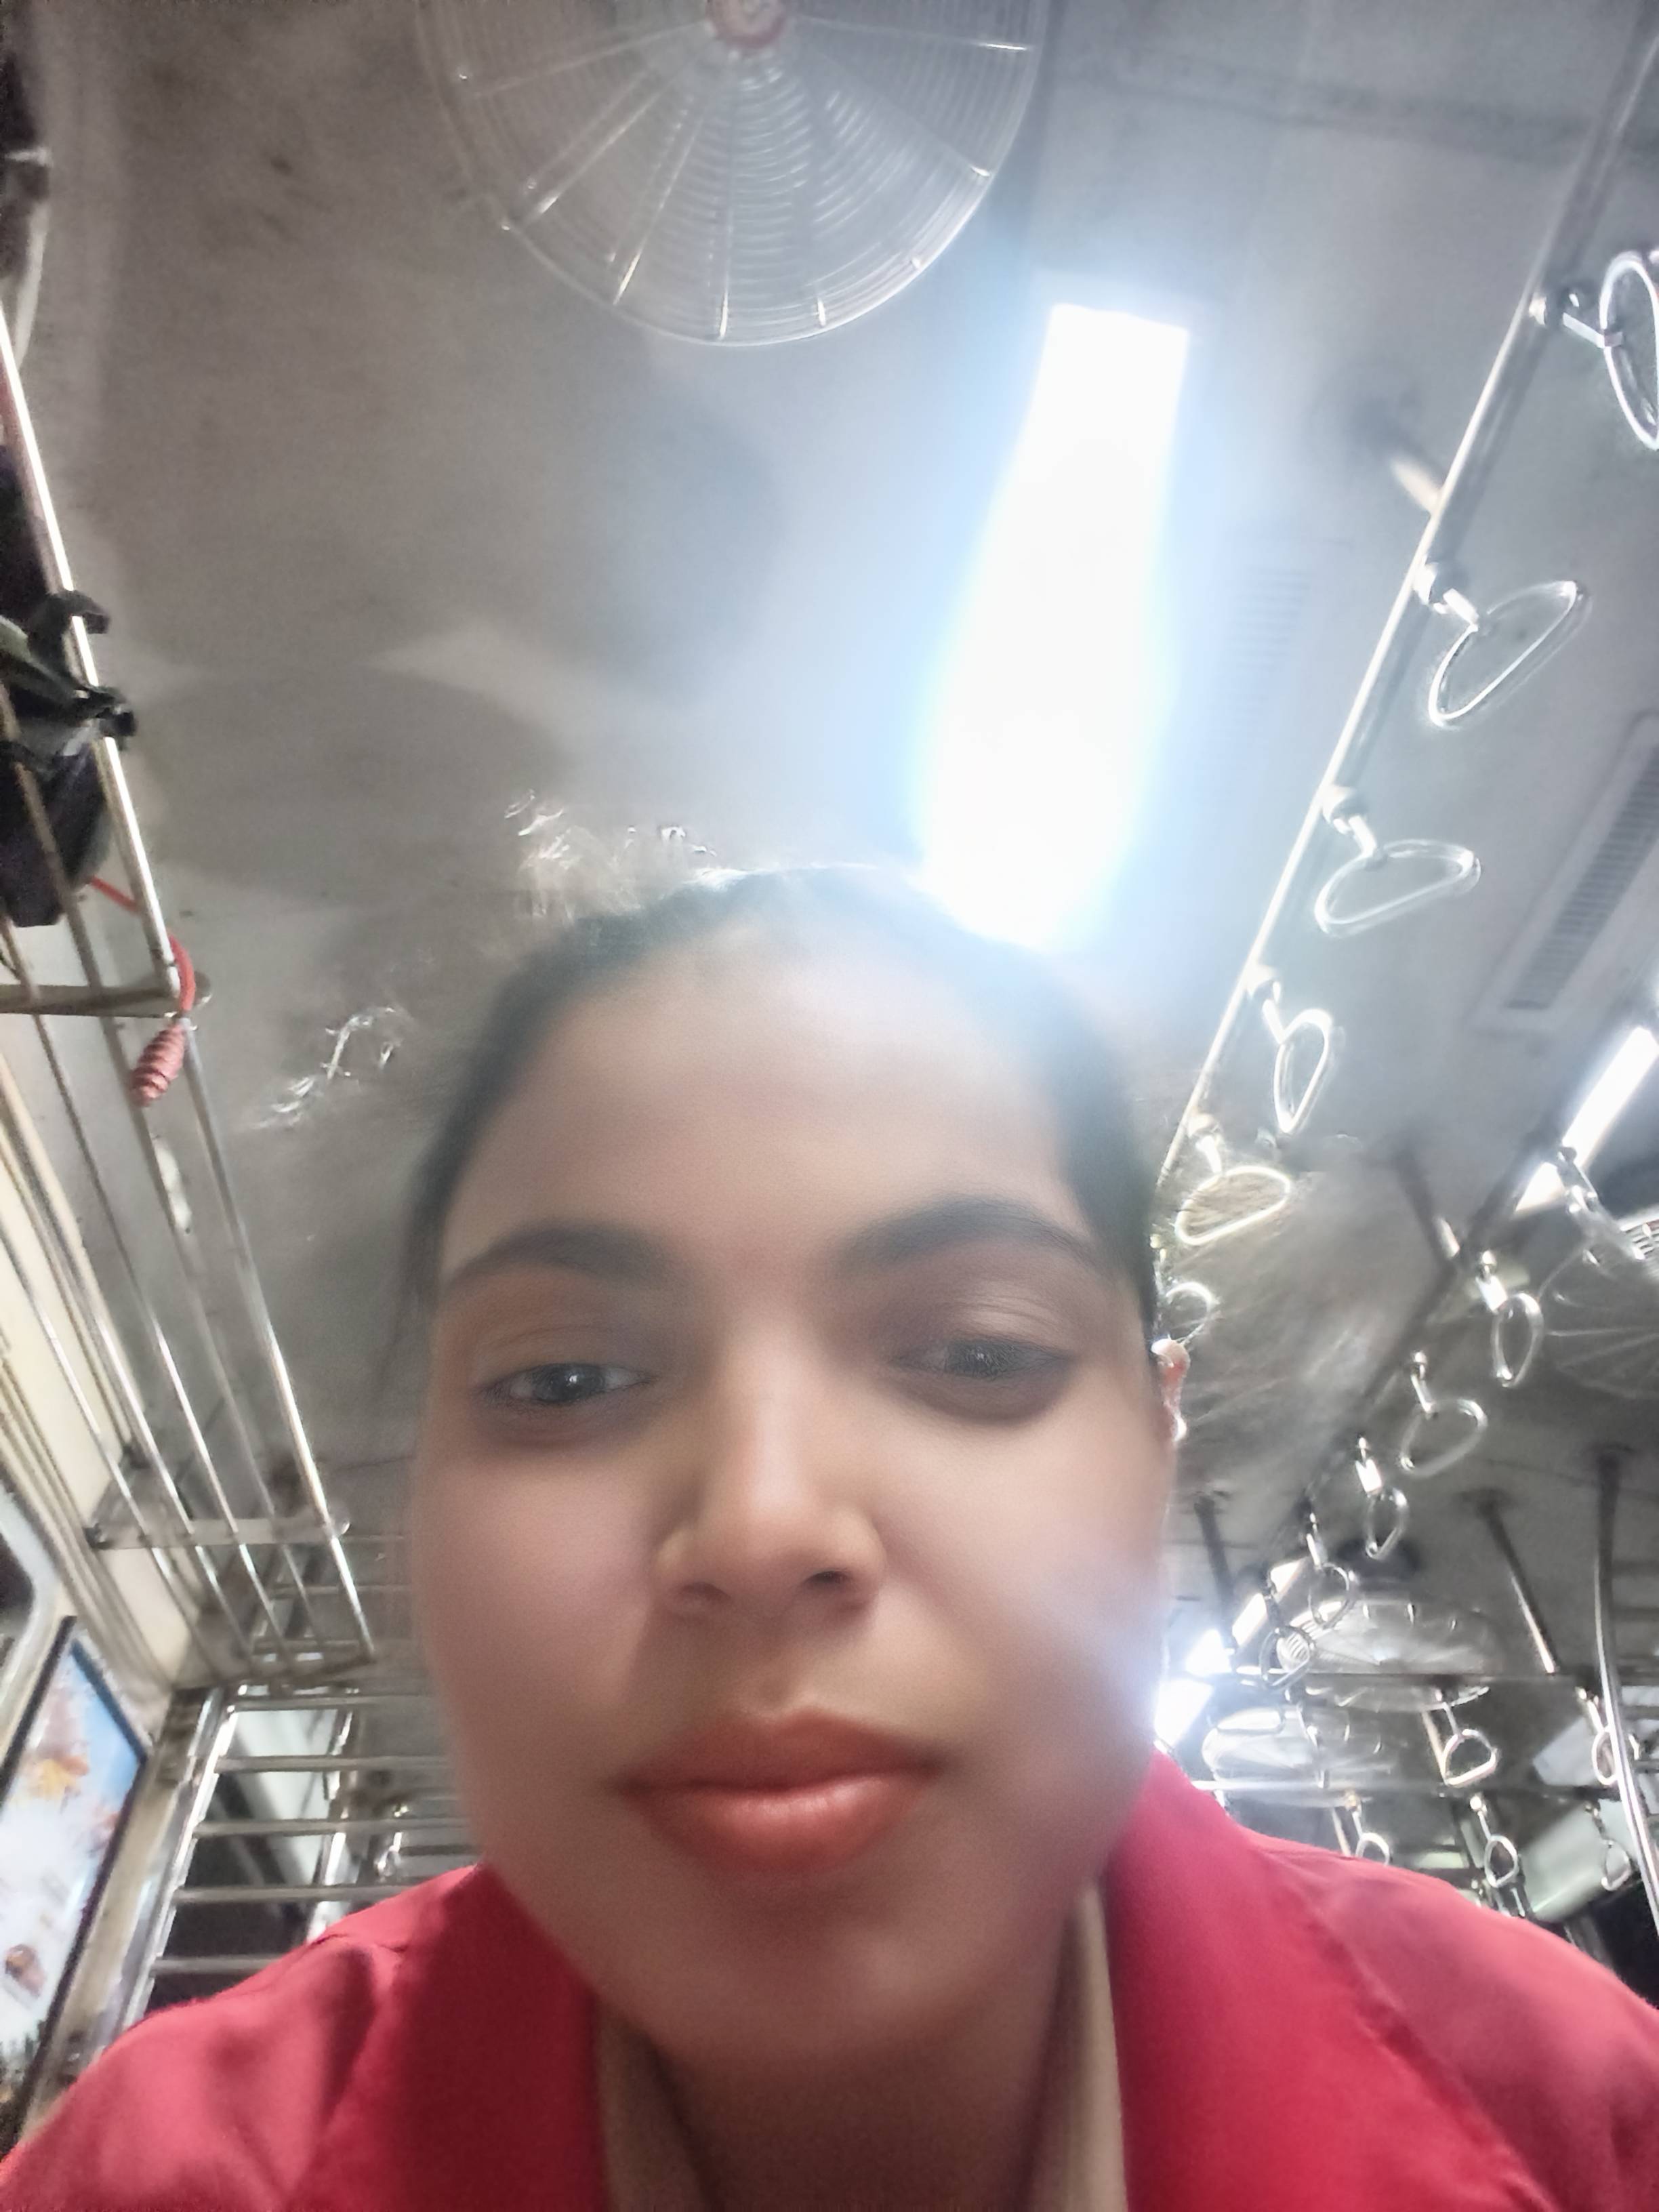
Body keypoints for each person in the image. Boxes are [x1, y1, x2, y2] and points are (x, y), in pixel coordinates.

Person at [4, 866, 1658, 2211]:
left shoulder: (1575, 2117)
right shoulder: (157, 2180)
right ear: (415, 1497)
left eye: (980, 1353)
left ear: (1158, 1447)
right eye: (563, 1378)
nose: (762, 1524)